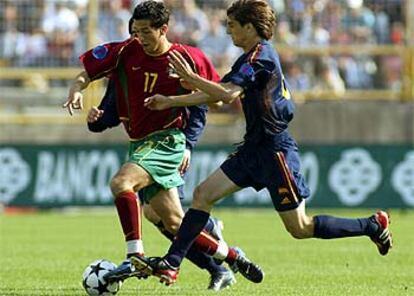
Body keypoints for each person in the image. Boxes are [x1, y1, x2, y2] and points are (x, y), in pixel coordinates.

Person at [135, 0, 393, 286]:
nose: (228, 31)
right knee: (202, 195)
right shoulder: (247, 58)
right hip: (253, 149)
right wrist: (172, 101)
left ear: (249, 27)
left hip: (275, 152)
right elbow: (217, 94)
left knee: (300, 227)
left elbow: (227, 94)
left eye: (232, 26)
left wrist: (190, 78)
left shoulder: (261, 57)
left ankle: (371, 225)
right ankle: (173, 263)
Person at [63, 0, 262, 290]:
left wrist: (189, 95)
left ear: (163, 29)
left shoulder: (188, 58)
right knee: (172, 222)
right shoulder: (124, 51)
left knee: (121, 183)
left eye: (145, 31)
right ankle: (231, 257)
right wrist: (76, 91)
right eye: (136, 31)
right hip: (139, 144)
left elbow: (218, 98)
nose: (139, 37)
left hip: (167, 141)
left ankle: (134, 256)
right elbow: (86, 72)